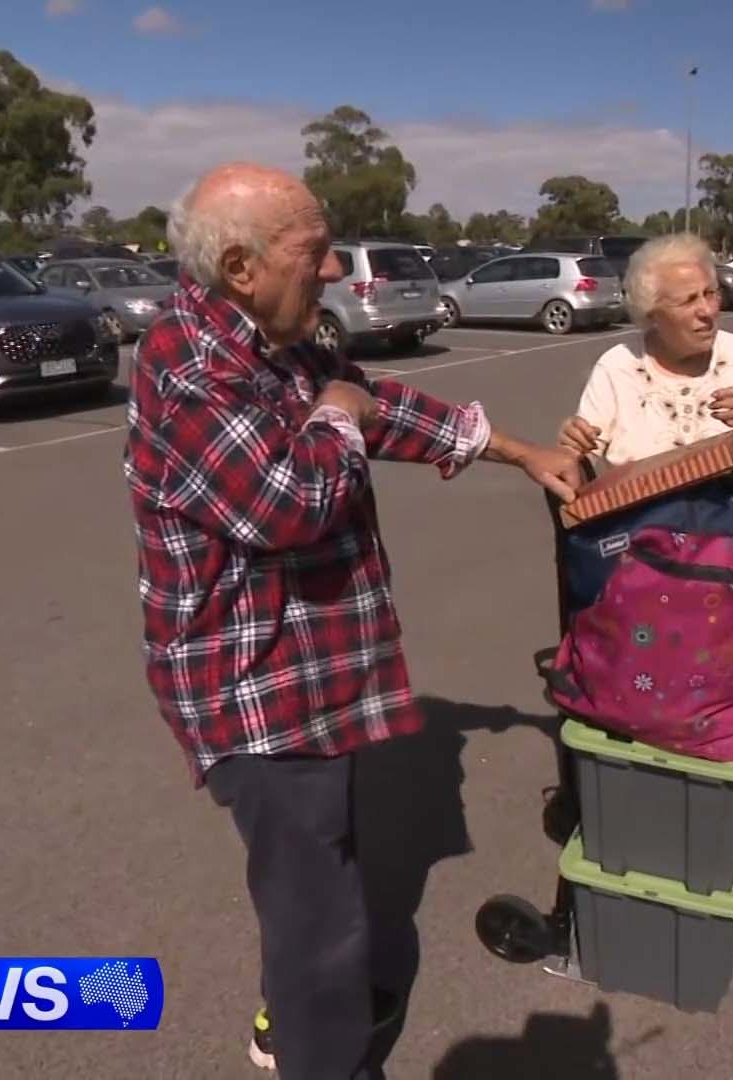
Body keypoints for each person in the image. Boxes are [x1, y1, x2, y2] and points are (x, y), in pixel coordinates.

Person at [123, 162, 580, 1079]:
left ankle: (292, 1013)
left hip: (313, 676)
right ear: (243, 267)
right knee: (319, 921)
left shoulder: (277, 339)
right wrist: (337, 414)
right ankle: (318, 1049)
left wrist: (520, 451)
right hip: (257, 693)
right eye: (315, 251)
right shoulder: (190, 364)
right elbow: (291, 502)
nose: (334, 270)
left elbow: (384, 407)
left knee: (316, 886)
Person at [557, 232, 733, 484]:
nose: (707, 311)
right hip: (640, 520)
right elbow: (575, 467)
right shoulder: (618, 365)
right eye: (688, 301)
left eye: (710, 293)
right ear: (651, 314)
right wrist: (573, 447)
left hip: (732, 521)